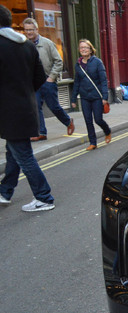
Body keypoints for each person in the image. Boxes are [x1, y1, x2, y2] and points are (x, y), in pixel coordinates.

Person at [0, 5, 55, 212]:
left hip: (9, 111)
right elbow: (40, 77)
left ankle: (44, 197)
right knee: (14, 151)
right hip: (26, 107)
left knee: (23, 154)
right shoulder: (28, 45)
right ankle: (5, 191)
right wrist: (22, 93)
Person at [22, 18, 74, 142]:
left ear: (36, 30)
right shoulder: (24, 44)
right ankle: (41, 132)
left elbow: (58, 61)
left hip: (47, 79)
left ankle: (68, 121)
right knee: (36, 106)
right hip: (33, 82)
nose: (29, 32)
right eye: (26, 30)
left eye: (31, 30)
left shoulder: (47, 43)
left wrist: (51, 77)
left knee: (53, 106)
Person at [71, 39, 111, 151]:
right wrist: (73, 99)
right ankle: (93, 142)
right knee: (88, 120)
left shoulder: (97, 62)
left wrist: (105, 97)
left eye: (86, 47)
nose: (83, 49)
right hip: (84, 97)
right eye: (81, 48)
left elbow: (103, 80)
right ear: (79, 50)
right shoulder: (78, 65)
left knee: (98, 119)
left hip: (97, 97)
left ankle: (107, 131)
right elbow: (77, 82)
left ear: (90, 49)